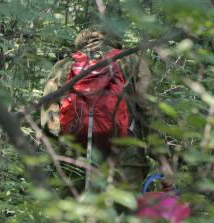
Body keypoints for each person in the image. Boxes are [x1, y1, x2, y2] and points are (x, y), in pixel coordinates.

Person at [40, 26, 154, 192]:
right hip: (125, 159)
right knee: (122, 216)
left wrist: (70, 143)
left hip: (76, 159)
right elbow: (149, 111)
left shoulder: (64, 66)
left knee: (74, 215)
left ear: (81, 42)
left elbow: (48, 118)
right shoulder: (131, 61)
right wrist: (163, 159)